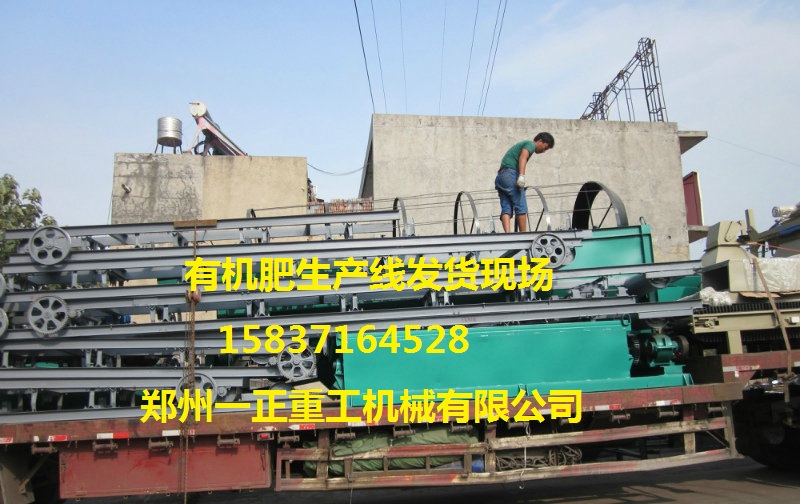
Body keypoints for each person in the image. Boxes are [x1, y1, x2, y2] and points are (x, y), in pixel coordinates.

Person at [494, 132, 554, 232]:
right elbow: (523, 157)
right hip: (510, 175)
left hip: (501, 176)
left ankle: (507, 235)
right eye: (545, 147)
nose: (544, 151)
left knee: (506, 207)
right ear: (540, 141)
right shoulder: (530, 144)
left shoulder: (522, 144)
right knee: (521, 206)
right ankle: (524, 234)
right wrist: (521, 176)